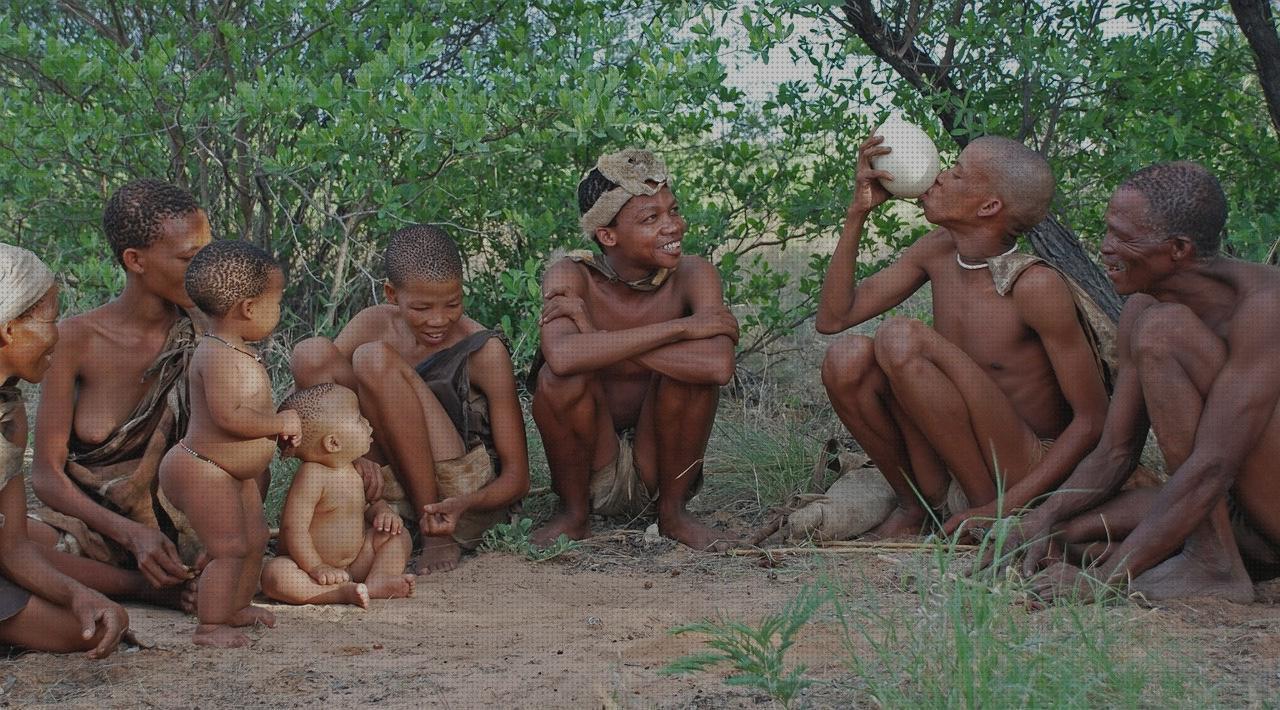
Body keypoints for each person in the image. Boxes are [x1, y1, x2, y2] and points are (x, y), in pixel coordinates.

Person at [1001, 162, 1280, 604]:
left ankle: (1213, 565)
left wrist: (1103, 581)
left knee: (1164, 330)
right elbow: (1116, 450)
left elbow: (1213, 465)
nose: (1105, 248)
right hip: (1235, 514)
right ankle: (1207, 555)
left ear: (1178, 250)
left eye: (1123, 237)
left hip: (1259, 502)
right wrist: (1042, 516)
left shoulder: (1265, 308)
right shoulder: (1142, 307)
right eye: (1107, 231)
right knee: (1062, 537)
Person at [816, 134, 1111, 540]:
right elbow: (834, 317)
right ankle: (917, 506)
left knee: (901, 337)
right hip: (952, 449)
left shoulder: (1034, 286)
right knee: (845, 359)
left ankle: (980, 512)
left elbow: (1093, 421)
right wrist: (857, 213)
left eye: (955, 174)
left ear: (989, 206)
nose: (937, 177)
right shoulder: (937, 250)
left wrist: (1003, 507)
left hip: (1022, 466)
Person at [530, 148, 739, 551]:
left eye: (673, 211)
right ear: (608, 236)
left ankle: (674, 515)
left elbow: (717, 367)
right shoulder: (571, 275)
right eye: (650, 219)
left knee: (690, 375)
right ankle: (574, 514)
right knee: (557, 381)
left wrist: (595, 334)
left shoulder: (694, 274)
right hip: (594, 464)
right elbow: (562, 357)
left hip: (658, 464)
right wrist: (682, 328)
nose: (672, 227)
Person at [290, 225, 529, 574]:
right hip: (386, 478)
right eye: (421, 308)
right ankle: (368, 504)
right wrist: (352, 458)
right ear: (391, 294)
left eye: (453, 304)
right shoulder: (373, 323)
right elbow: (318, 400)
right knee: (310, 354)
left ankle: (432, 531)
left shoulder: (484, 350)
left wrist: (465, 503)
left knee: (373, 359)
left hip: (454, 492)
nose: (439, 320)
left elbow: (518, 477)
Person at [30, 179, 211, 602]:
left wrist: (220, 537)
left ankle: (193, 573)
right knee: (12, 543)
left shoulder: (210, 331)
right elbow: (46, 476)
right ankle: (146, 590)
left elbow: (236, 450)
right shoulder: (76, 340)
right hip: (100, 527)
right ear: (135, 260)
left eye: (209, 252)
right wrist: (131, 535)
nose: (206, 269)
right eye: (190, 258)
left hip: (188, 524)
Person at [158, 240, 296, 648]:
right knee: (229, 547)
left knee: (254, 539)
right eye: (277, 301)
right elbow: (229, 416)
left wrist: (278, 431)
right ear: (249, 308)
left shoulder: (239, 350)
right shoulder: (216, 355)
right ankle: (210, 625)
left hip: (232, 474)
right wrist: (277, 423)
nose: (279, 310)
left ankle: (235, 607)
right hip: (202, 468)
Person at [0, 243, 131, 658]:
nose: (57, 335)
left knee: (86, 629)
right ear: (7, 329)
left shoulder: (10, 415)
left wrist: (78, 595)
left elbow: (13, 546)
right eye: (51, 320)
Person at [262, 384, 415, 607]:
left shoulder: (354, 468)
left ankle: (378, 580)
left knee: (398, 536)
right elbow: (293, 528)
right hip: (308, 567)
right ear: (333, 443)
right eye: (358, 419)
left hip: (355, 562)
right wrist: (316, 566)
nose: (367, 423)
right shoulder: (312, 475)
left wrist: (382, 512)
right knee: (275, 575)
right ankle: (336, 594)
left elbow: (366, 506)